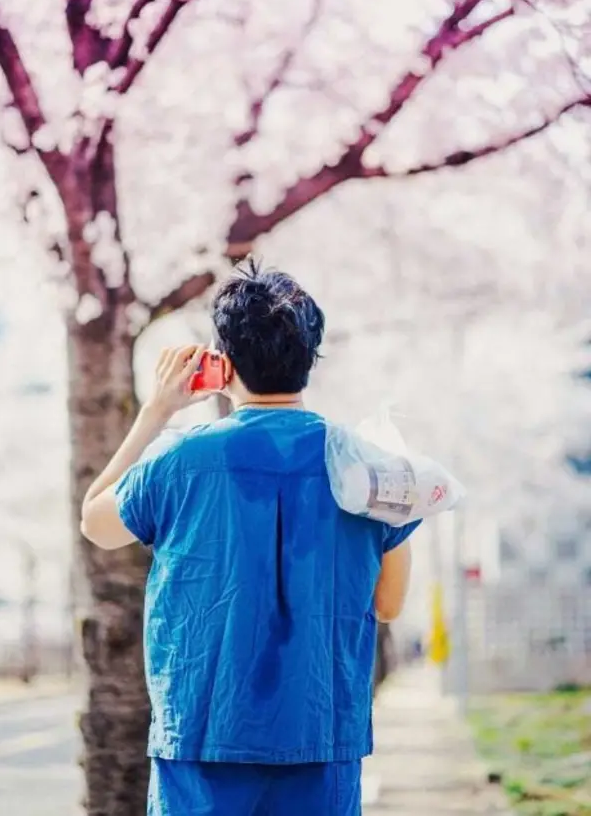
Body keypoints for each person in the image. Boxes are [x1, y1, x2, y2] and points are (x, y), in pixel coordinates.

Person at [81, 261, 421, 816]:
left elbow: (94, 521)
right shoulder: (371, 469)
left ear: (223, 361)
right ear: (311, 356)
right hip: (320, 735)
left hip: (201, 736)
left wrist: (154, 412)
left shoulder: (178, 459)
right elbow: (387, 604)